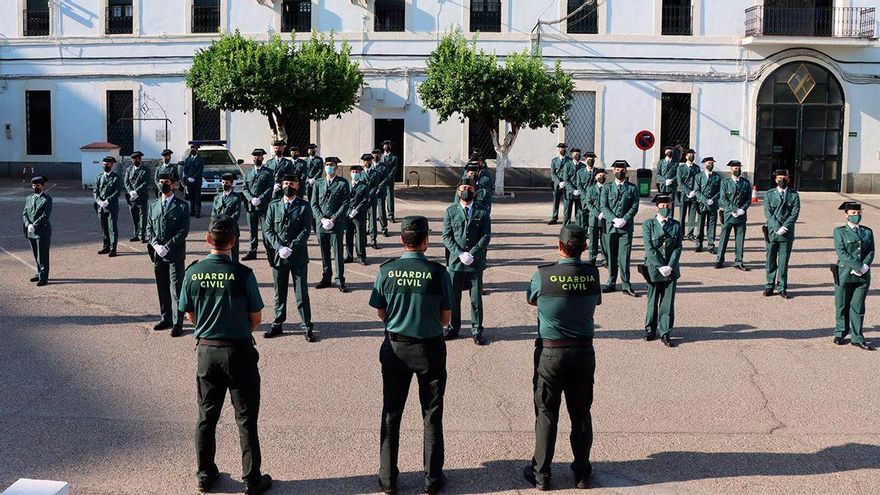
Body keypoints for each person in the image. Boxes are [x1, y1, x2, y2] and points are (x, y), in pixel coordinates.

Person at [178, 215, 272, 495]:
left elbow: (188, 313)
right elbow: (255, 317)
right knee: (245, 417)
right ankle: (252, 480)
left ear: (208, 239)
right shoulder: (243, 274)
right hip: (239, 350)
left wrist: (209, 326)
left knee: (206, 416)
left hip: (207, 350)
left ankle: (205, 475)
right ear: (233, 241)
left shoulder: (193, 272)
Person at [369, 215, 453, 495]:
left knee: (392, 413)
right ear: (426, 240)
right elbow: (445, 318)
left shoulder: (386, 271)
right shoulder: (439, 273)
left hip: (395, 348)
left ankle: (388, 479)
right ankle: (431, 480)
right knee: (431, 415)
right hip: (429, 349)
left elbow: (381, 312)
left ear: (402, 239)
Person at [523, 224, 601, 491]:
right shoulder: (592, 274)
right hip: (582, 352)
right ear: (584, 248)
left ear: (559, 246)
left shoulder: (544, 275)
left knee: (546, 414)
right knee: (580, 414)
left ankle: (541, 474)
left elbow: (532, 299)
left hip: (551, 352)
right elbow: (595, 300)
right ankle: (581, 473)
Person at [264, 174, 315, 341]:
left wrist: (290, 247)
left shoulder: (304, 206)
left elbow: (306, 230)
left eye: (292, 184)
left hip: (298, 255)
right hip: (279, 256)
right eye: (286, 183)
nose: (288, 186)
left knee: (301, 293)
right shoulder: (273, 206)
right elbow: (268, 229)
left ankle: (306, 325)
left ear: (297, 186)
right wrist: (279, 247)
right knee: (279, 292)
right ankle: (278, 323)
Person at [442, 178, 491, 344]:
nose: (466, 191)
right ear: (458, 191)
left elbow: (485, 236)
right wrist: (459, 253)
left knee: (475, 299)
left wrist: (472, 254)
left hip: (475, 262)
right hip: (456, 263)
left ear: (474, 191)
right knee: (453, 298)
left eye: (470, 188)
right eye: (463, 188)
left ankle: (477, 331)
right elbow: (446, 236)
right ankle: (453, 328)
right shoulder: (450, 211)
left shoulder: (482, 211)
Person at [147, 172, 190, 337]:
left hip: (174, 254)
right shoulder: (153, 205)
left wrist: (167, 246)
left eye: (166, 182)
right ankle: (166, 318)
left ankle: (178, 322)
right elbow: (149, 228)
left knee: (177, 289)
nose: (163, 184)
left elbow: (183, 231)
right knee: (162, 287)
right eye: (160, 182)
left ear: (173, 185)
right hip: (158, 254)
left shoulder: (182, 206)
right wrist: (156, 245)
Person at [641, 194, 682, 347]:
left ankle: (665, 331)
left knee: (667, 302)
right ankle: (650, 329)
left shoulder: (676, 225)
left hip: (671, 269)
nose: (665, 208)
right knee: (652, 300)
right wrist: (660, 266)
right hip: (653, 268)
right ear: (656, 207)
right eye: (662, 206)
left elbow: (678, 247)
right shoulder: (648, 224)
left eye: (668, 206)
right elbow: (649, 248)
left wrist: (670, 266)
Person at [832, 202, 875, 351]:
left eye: (858, 213)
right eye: (853, 213)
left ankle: (857, 337)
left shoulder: (867, 232)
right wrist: (857, 266)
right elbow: (842, 253)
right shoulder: (839, 232)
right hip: (844, 274)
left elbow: (871, 251)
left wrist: (864, 267)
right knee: (842, 305)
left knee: (858, 307)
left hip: (862, 276)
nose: (856, 216)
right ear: (846, 215)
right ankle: (840, 332)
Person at [599, 160, 640, 297]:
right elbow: (603, 206)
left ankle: (626, 284)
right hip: (611, 227)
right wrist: (614, 219)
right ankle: (611, 282)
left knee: (624, 256)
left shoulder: (632, 188)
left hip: (625, 228)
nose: (619, 171)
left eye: (622, 169)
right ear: (613, 171)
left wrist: (624, 219)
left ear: (626, 171)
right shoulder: (607, 187)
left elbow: (635, 206)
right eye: (617, 169)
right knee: (611, 255)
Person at [311, 156, 351, 292]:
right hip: (321, 224)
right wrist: (322, 219)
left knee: (338, 252)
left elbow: (345, 204)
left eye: (331, 165)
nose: (329, 167)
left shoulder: (342, 183)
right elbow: (314, 203)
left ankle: (340, 280)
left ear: (336, 167)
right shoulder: (318, 183)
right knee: (324, 252)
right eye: (327, 164)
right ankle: (326, 278)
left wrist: (333, 219)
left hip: (336, 224)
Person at [763, 169, 800, 299]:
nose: (782, 180)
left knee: (783, 262)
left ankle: (782, 287)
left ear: (788, 179)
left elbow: (794, 213)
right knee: (770, 260)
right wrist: (777, 227)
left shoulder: (794, 195)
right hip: (773, 232)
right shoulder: (769, 194)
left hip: (787, 233)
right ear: (775, 180)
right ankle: (769, 285)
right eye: (779, 178)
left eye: (784, 178)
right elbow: (768, 213)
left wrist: (784, 226)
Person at [715, 160, 751, 271]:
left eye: (739, 167)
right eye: (735, 168)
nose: (737, 170)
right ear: (731, 169)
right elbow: (723, 198)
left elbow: (748, 199)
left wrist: (742, 209)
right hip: (728, 214)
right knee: (723, 238)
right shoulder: (725, 182)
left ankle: (739, 261)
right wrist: (734, 209)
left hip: (740, 215)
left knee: (740, 239)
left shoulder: (745, 182)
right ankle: (719, 260)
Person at [241, 149, 275, 261]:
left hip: (263, 206)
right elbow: (244, 188)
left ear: (263, 158)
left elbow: (270, 188)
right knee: (252, 230)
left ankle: (269, 250)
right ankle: (252, 251)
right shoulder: (248, 173)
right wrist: (251, 199)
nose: (257, 158)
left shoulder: (269, 172)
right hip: (251, 207)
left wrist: (260, 198)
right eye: (255, 156)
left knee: (266, 230)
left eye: (259, 156)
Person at [23, 175, 52, 286]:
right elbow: (25, 213)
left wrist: (34, 224)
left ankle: (43, 277)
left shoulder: (47, 199)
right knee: (36, 254)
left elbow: (45, 215)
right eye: (34, 185)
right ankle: (39, 273)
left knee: (42, 255)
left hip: (42, 231)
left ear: (43, 186)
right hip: (31, 231)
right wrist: (28, 224)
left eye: (38, 185)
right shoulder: (29, 198)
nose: (36, 187)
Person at [94, 156, 122, 257]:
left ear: (112, 165)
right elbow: (95, 191)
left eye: (108, 164)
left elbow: (117, 192)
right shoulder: (99, 177)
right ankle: (106, 246)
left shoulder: (116, 178)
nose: (106, 166)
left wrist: (107, 200)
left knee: (112, 228)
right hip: (101, 207)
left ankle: (113, 249)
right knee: (104, 227)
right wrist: (98, 201)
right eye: (104, 164)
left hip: (111, 207)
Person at [211, 173, 243, 262]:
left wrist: (224, 223)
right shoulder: (217, 198)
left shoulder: (236, 197)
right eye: (223, 182)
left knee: (233, 256)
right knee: (219, 254)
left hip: (231, 229)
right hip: (218, 230)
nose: (224, 185)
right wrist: (216, 224)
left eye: (227, 183)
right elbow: (213, 214)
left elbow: (236, 214)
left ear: (231, 184)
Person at [693, 157, 721, 254]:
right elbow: (696, 191)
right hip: (701, 204)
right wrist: (705, 200)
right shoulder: (698, 176)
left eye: (712, 163)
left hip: (713, 205)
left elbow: (720, 191)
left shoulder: (717, 177)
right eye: (709, 163)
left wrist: (712, 200)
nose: (711, 165)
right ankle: (698, 244)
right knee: (700, 225)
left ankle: (710, 245)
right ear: (704, 164)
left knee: (712, 225)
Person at [345, 164, 371, 266]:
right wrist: (348, 211)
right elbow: (344, 199)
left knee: (360, 235)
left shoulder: (364, 186)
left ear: (360, 174)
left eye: (357, 172)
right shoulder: (346, 185)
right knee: (348, 235)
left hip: (359, 214)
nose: (355, 174)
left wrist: (355, 210)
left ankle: (361, 257)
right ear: (350, 173)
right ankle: (349, 256)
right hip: (347, 214)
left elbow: (364, 200)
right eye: (353, 172)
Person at [582, 167, 607, 267]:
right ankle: (592, 259)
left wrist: (605, 213)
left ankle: (605, 260)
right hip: (594, 219)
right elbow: (589, 203)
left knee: (605, 241)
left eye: (603, 176)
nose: (601, 177)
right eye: (599, 176)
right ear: (596, 177)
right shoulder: (591, 189)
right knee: (593, 241)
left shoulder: (608, 188)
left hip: (605, 219)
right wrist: (598, 213)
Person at [124, 151, 149, 243]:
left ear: (140, 159)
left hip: (142, 196)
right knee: (134, 216)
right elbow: (126, 182)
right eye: (133, 159)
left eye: (137, 159)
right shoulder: (129, 170)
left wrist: (136, 191)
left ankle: (142, 235)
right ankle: (136, 234)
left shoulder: (145, 170)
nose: (135, 160)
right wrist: (131, 191)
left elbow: (145, 183)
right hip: (131, 198)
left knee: (143, 217)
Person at [676, 149, 700, 240]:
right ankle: (681, 234)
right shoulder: (680, 168)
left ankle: (690, 234)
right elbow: (680, 181)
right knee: (682, 215)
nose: (691, 156)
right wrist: (687, 192)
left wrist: (694, 191)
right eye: (689, 155)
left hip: (693, 194)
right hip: (683, 194)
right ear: (686, 156)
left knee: (692, 215)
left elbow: (698, 181)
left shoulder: (697, 168)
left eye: (692, 155)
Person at [363, 151, 384, 249]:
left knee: (372, 220)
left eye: (369, 160)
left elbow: (375, 186)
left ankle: (373, 240)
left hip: (371, 199)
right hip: (362, 201)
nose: (367, 162)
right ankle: (363, 240)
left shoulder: (375, 173)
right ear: (363, 162)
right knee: (362, 221)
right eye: (366, 161)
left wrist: (369, 196)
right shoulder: (360, 173)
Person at [573, 151, 598, 228]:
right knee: (583, 215)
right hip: (583, 198)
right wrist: (586, 196)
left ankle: (590, 231)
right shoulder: (580, 172)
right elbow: (579, 186)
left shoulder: (597, 172)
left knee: (592, 215)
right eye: (589, 160)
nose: (591, 161)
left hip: (594, 198)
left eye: (592, 160)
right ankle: (583, 231)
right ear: (586, 160)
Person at [548, 143, 571, 225]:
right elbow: (553, 173)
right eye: (561, 148)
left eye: (564, 148)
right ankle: (554, 218)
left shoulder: (569, 160)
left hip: (566, 183)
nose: (562, 150)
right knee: (556, 201)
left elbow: (571, 172)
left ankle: (566, 219)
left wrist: (565, 181)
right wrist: (558, 182)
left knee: (566, 201)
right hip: (557, 184)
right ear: (558, 150)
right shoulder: (554, 161)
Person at [561, 148, 583, 226]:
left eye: (579, 154)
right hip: (569, 193)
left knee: (579, 213)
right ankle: (566, 229)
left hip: (579, 193)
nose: (578, 155)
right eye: (576, 154)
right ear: (572, 155)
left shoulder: (583, 166)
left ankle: (578, 229)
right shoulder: (567, 165)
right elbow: (566, 180)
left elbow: (583, 180)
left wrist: (579, 190)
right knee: (567, 212)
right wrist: (573, 190)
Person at [183, 143, 205, 218]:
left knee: (197, 197)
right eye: (192, 148)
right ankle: (192, 211)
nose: (193, 150)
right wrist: (188, 177)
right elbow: (185, 170)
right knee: (191, 197)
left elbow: (200, 170)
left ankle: (197, 212)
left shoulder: (200, 160)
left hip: (197, 181)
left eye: (194, 148)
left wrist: (193, 178)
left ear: (197, 150)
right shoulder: (187, 159)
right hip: (189, 181)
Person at [655, 146, 678, 217]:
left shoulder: (676, 163)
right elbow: (657, 174)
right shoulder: (661, 162)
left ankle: (670, 218)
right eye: (668, 151)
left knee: (670, 203)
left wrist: (672, 180)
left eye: (671, 151)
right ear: (665, 152)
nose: (669, 152)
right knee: (661, 202)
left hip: (671, 186)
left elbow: (678, 175)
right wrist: (665, 180)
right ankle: (661, 216)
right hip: (662, 186)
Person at [380, 140, 399, 223]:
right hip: (380, 180)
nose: (386, 146)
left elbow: (394, 170)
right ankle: (381, 214)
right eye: (385, 145)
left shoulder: (394, 157)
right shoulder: (380, 157)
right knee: (380, 198)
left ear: (390, 147)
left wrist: (388, 178)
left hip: (389, 181)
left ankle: (390, 214)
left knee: (390, 197)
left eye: (388, 145)